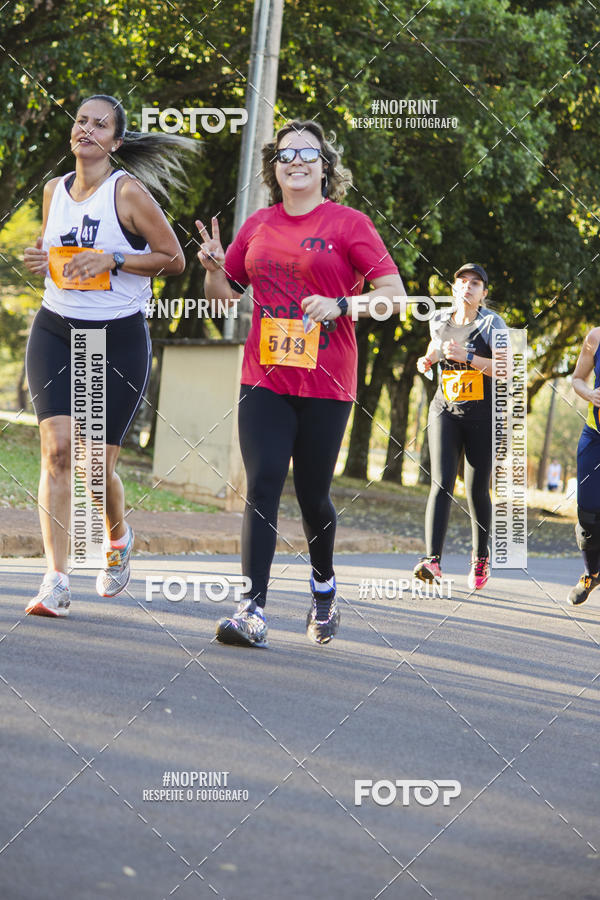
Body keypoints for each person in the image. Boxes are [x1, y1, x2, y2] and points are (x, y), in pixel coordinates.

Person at [196, 119, 405, 647]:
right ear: (274, 168)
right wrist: (214, 268)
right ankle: (252, 609)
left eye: (307, 154)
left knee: (313, 496)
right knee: (263, 482)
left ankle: (324, 588)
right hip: (263, 377)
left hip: (327, 382)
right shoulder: (258, 225)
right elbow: (225, 296)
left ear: (325, 167)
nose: (296, 161)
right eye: (286, 154)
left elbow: (393, 296)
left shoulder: (349, 224)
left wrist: (342, 305)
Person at [22, 94, 195, 616]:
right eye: (80, 121)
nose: (86, 130)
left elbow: (174, 260)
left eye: (100, 125)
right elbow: (60, 255)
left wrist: (115, 257)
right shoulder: (54, 191)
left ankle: (117, 541)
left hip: (115, 336)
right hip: (56, 328)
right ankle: (55, 578)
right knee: (56, 453)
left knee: (96, 470)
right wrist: (42, 258)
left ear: (115, 142)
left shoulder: (129, 193)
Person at [414, 264, 510, 591]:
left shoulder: (491, 323)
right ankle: (432, 560)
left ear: (484, 293)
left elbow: (505, 368)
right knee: (440, 483)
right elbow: (436, 346)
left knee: (475, 490)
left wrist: (468, 356)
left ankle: (480, 557)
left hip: (482, 416)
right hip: (445, 409)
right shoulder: (439, 319)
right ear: (454, 288)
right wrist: (427, 360)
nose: (467, 287)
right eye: (462, 281)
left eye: (475, 283)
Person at [568, 328, 600, 604]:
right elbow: (577, 379)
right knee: (587, 515)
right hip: (595, 435)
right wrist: (590, 393)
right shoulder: (595, 337)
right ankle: (593, 574)